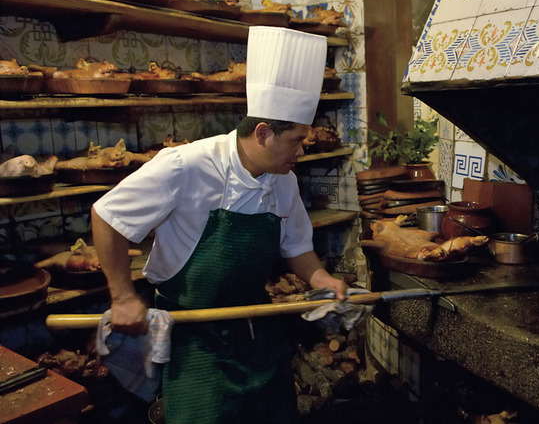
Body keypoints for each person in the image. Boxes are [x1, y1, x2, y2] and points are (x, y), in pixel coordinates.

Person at [91, 26, 348, 424]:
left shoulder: (284, 179)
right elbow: (108, 216)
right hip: (198, 340)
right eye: (296, 140)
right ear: (263, 133)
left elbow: (296, 245)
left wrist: (319, 279)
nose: (302, 150)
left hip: (257, 330)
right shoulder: (186, 165)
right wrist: (123, 296)